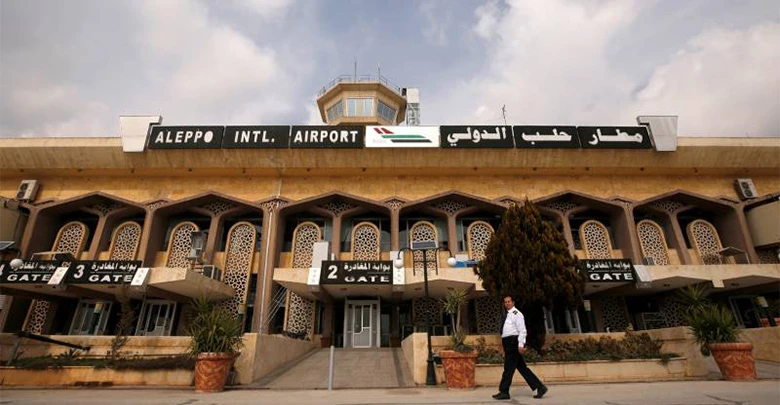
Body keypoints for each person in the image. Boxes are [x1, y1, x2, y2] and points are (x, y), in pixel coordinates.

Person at [493, 295, 547, 400]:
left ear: (513, 303)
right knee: (522, 368)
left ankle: (504, 391)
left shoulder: (517, 314)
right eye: (505, 302)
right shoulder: (508, 314)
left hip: (513, 343)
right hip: (508, 343)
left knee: (508, 368)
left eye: (509, 301)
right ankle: (539, 387)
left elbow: (522, 330)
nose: (507, 303)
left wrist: (521, 345)